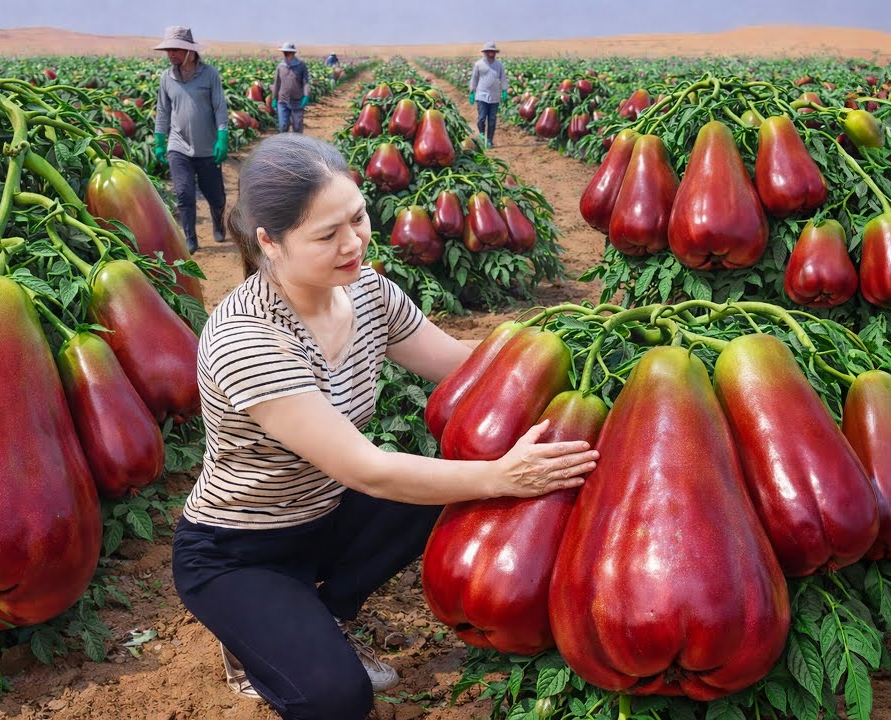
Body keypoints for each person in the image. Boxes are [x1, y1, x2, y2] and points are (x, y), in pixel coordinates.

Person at [171, 134, 599, 719]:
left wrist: (570, 346)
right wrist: (503, 475)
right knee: (340, 700)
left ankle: (326, 610)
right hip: (240, 550)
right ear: (268, 242)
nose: (353, 243)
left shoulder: (366, 291)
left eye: (358, 218)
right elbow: (368, 470)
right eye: (327, 236)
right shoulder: (248, 338)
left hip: (327, 516)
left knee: (442, 484)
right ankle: (253, 643)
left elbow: (463, 363)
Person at [153, 25, 230, 253]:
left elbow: (220, 108)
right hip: (178, 146)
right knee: (184, 193)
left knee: (216, 197)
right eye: (169, 50)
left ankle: (218, 220)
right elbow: (163, 112)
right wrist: (159, 141)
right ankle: (190, 238)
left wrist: (222, 137)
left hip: (207, 148)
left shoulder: (209, 75)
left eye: (176, 49)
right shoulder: (167, 78)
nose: (171, 54)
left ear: (190, 51)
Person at [468, 41, 509, 148]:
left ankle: (490, 140)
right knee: (481, 118)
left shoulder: (499, 65)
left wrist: (504, 90)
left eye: (493, 51)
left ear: (495, 52)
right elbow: (474, 78)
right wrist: (472, 91)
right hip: (481, 95)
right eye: (489, 51)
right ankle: (482, 135)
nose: (491, 53)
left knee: (492, 120)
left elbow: (503, 78)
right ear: (485, 52)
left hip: (495, 96)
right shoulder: (479, 64)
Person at [271, 42, 311, 134]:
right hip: (282, 101)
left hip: (297, 101)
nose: (286, 54)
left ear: (293, 53)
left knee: (297, 127)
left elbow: (305, 83)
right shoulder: (280, 67)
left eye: (288, 52)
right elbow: (277, 83)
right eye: (284, 52)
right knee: (283, 126)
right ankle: (285, 146)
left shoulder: (301, 66)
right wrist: (274, 98)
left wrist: (306, 95)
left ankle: (297, 146)